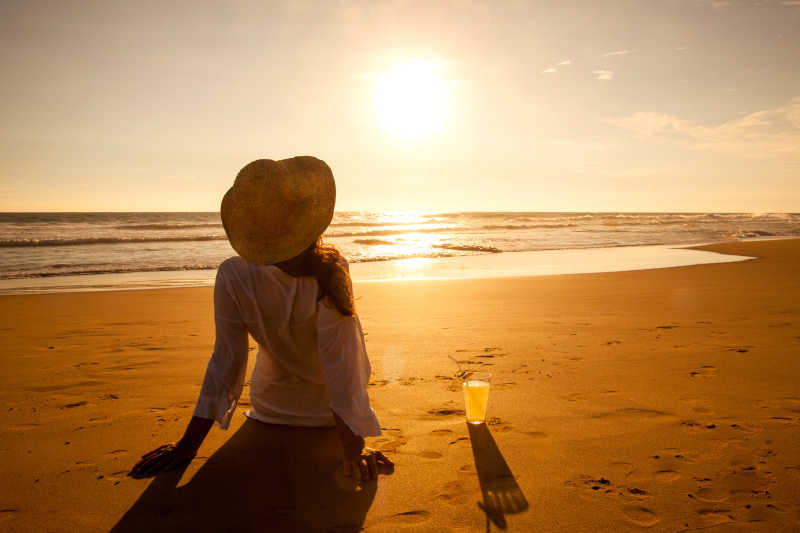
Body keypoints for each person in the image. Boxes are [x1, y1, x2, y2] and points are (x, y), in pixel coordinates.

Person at [130, 156, 394, 482]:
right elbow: (343, 367)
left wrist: (187, 446)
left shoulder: (233, 274)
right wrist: (353, 448)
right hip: (326, 419)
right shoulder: (332, 269)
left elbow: (226, 361)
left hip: (269, 410)